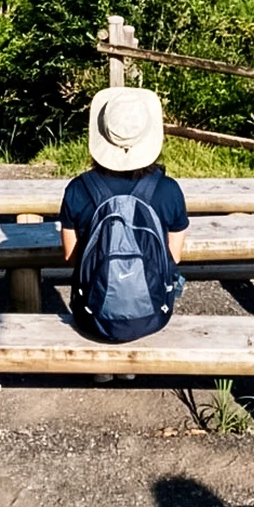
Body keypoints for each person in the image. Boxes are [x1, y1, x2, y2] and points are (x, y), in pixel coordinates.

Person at [60, 86, 188, 343]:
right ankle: (127, 367)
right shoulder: (168, 190)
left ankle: (103, 367)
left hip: (91, 316)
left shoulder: (78, 188)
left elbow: (71, 257)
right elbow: (172, 256)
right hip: (153, 314)